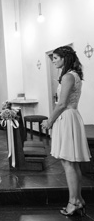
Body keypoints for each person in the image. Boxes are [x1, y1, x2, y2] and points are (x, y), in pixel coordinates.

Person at [42, 45, 90, 216]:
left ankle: (74, 202)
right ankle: (78, 199)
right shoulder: (72, 75)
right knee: (71, 162)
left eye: (55, 58)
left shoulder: (68, 76)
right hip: (70, 116)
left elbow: (61, 104)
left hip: (67, 117)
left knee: (68, 163)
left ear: (64, 58)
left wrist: (49, 121)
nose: (53, 61)